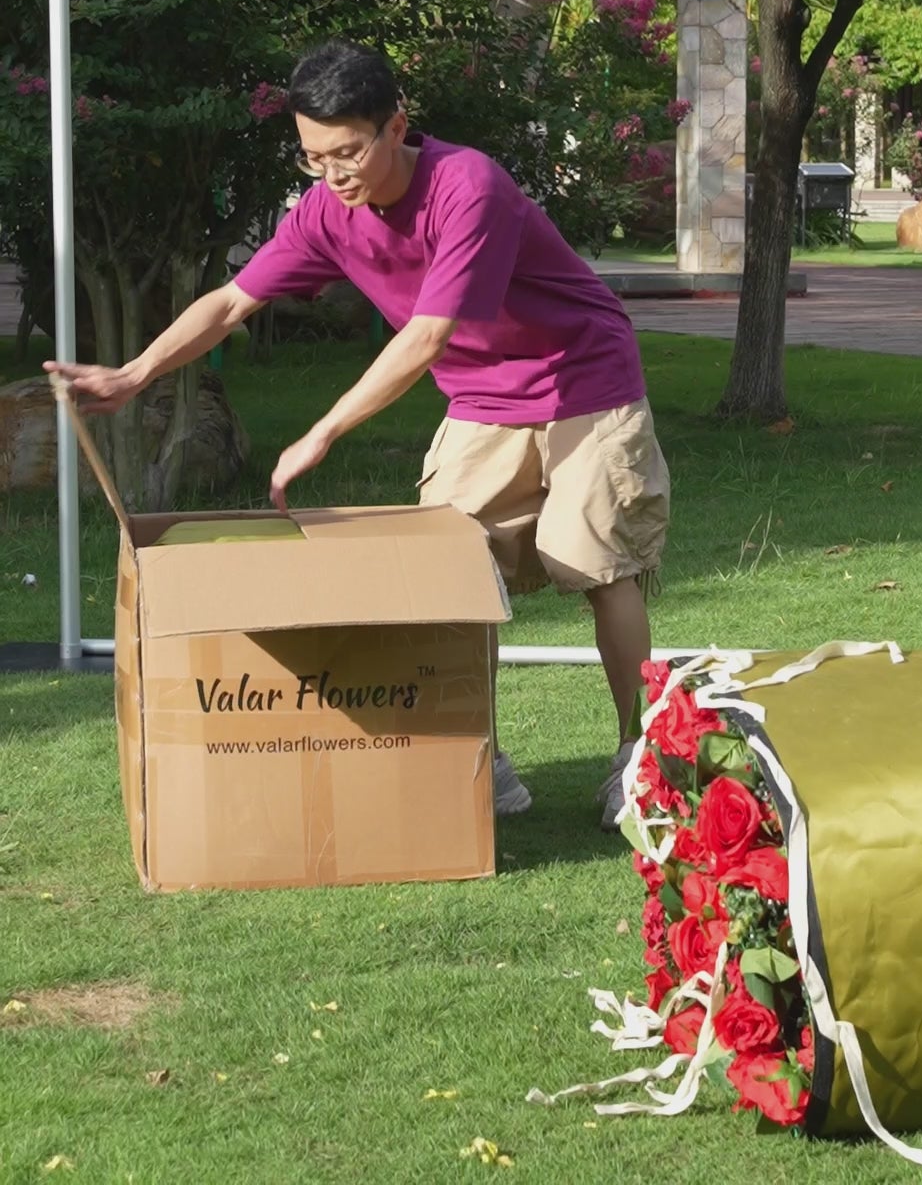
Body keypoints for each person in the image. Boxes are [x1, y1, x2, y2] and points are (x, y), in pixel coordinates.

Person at [46, 41, 670, 828]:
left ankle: (638, 752)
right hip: (485, 398)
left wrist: (323, 432)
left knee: (597, 563)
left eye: (348, 152)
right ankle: (478, 755)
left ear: (395, 126)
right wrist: (135, 373)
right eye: (314, 158)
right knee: (448, 570)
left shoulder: (466, 186)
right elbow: (232, 302)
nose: (333, 173)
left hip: (584, 378)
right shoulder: (324, 215)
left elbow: (428, 336)